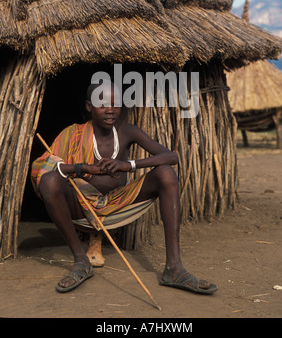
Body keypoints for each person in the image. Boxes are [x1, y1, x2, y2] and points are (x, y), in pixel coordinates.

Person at [31, 81, 218, 295]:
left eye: (115, 103)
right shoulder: (73, 133)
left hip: (120, 202)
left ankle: (174, 268)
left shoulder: (127, 131)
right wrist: (84, 168)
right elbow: (41, 166)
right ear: (89, 106)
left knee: (166, 172)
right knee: (49, 181)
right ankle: (81, 261)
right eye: (102, 103)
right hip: (81, 206)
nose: (110, 109)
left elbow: (171, 156)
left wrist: (127, 165)